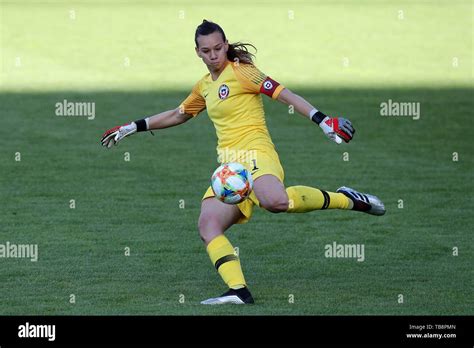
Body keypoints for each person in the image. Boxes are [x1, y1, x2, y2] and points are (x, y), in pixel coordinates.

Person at [101, 20, 385, 305]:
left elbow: (284, 94)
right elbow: (179, 114)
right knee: (208, 225)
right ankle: (238, 290)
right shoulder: (204, 87)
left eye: (217, 48)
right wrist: (132, 127)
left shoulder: (243, 73)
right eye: (206, 50)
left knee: (274, 201)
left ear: (225, 46)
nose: (213, 55)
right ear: (197, 52)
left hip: (257, 154)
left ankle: (347, 199)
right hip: (228, 170)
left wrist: (322, 120)